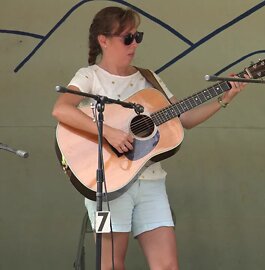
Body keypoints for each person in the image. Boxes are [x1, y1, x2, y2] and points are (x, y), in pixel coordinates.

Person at [52, 6, 246, 270]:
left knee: (167, 266)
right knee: (110, 265)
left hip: (151, 182)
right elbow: (61, 109)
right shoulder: (89, 76)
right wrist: (108, 132)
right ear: (103, 40)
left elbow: (184, 118)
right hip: (109, 182)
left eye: (137, 36)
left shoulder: (149, 78)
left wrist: (224, 100)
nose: (134, 44)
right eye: (127, 38)